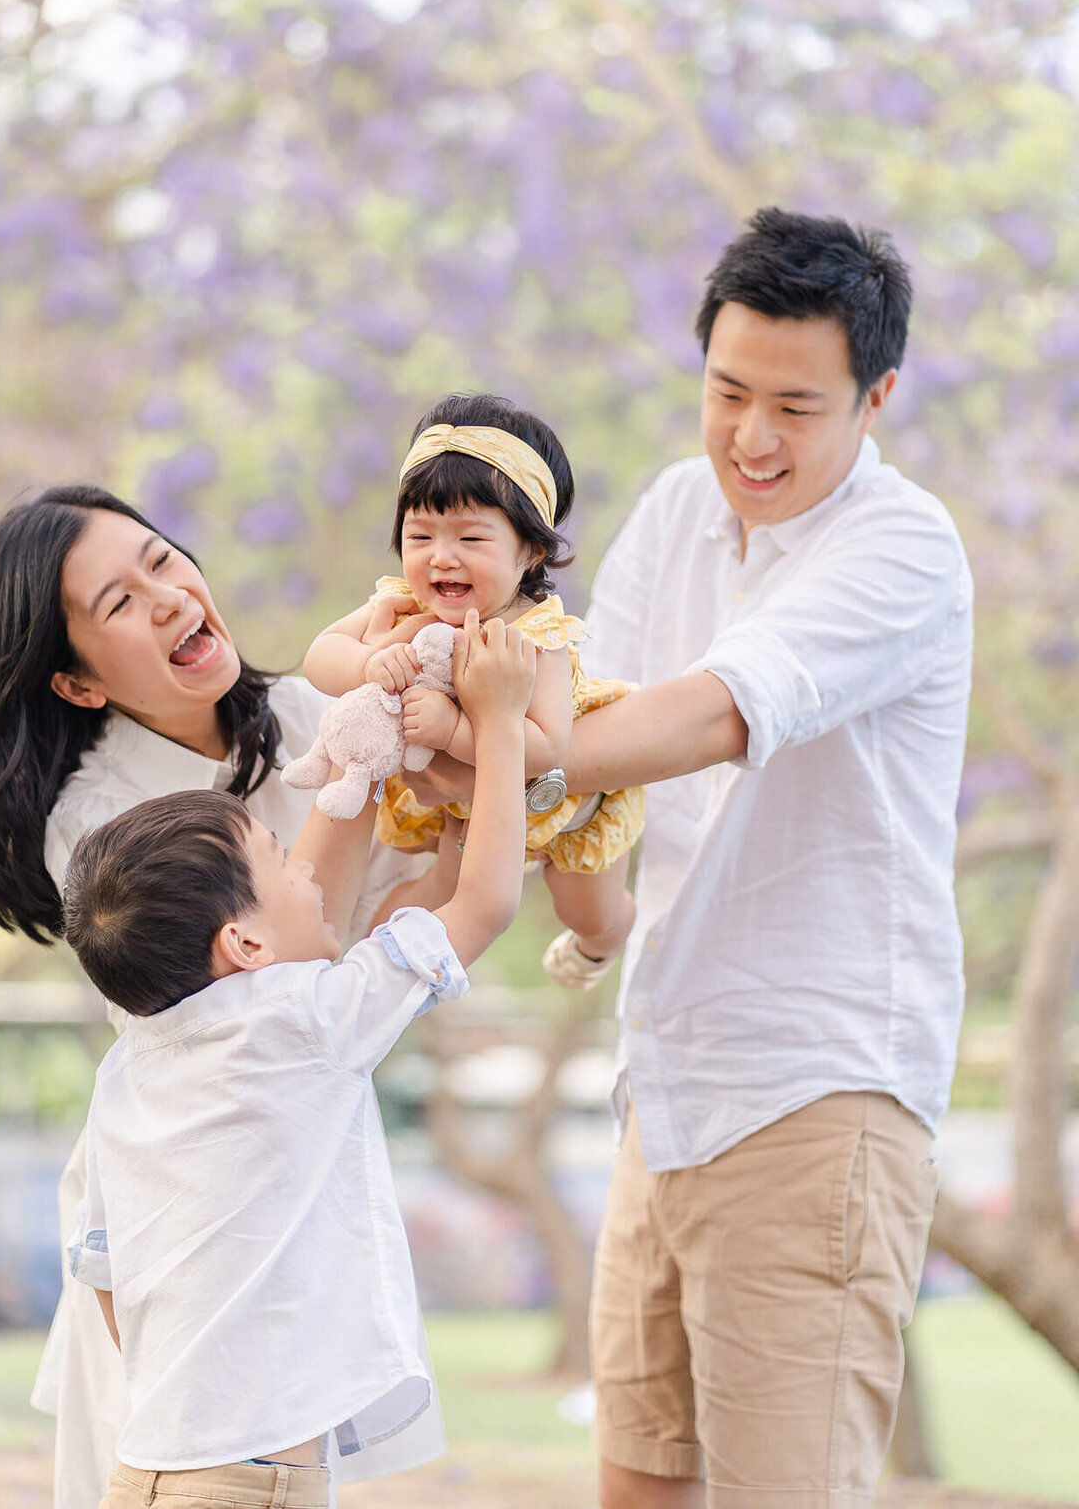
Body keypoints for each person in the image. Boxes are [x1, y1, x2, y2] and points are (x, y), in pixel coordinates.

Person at [413, 209, 973, 1507]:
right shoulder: (677, 507)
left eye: (796, 404)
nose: (751, 438)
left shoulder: (902, 549)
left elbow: (701, 719)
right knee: (640, 1484)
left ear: (876, 397)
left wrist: (493, 746)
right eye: (727, 392)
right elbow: (584, 723)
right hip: (664, 1089)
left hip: (816, 1098)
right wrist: (581, 898)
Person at [0, 484, 442, 1509]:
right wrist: (355, 761)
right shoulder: (97, 827)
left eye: (162, 561)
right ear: (75, 684)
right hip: (181, 1233)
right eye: (118, 603)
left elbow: (415, 898)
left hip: (283, 1207)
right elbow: (294, 981)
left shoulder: (306, 714)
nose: (166, 598)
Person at [62, 612, 536, 1509]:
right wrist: (504, 722)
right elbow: (488, 901)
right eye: (282, 858)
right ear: (241, 943)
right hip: (254, 1479)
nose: (313, 875)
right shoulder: (307, 1022)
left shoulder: (129, 1069)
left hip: (147, 1466)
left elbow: (105, 1277)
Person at [297, 391, 645, 984]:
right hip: (471, 814)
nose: (441, 559)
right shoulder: (401, 604)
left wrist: (455, 729)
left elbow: (545, 747)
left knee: (589, 909)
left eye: (471, 539)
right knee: (433, 899)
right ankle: (354, 974)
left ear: (530, 551)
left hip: (564, 808)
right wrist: (370, 660)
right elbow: (319, 656)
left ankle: (600, 945)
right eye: (420, 536)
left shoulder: (537, 636)